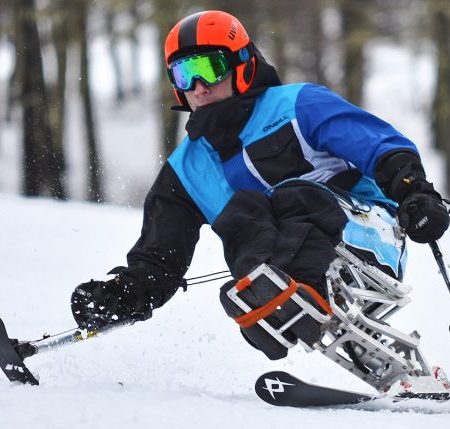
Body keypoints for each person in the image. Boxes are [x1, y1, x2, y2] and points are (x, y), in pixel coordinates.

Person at [71, 10, 449, 360]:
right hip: (291, 267)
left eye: (210, 68)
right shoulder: (187, 170)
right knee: (243, 214)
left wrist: (414, 191)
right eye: (185, 74)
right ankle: (272, 305)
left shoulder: (297, 106)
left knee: (291, 196)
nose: (199, 87)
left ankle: (298, 292)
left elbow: (380, 146)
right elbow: (159, 258)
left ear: (242, 65)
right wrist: (124, 294)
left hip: (370, 240)